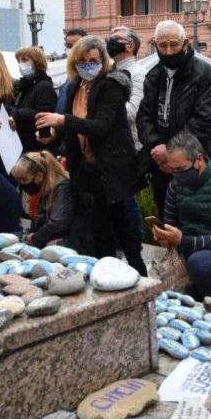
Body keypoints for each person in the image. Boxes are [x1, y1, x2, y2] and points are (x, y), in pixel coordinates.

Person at [35, 36, 146, 275]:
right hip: (86, 170)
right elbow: (73, 126)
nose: (88, 65)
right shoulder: (75, 86)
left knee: (126, 232)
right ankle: (106, 276)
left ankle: (141, 278)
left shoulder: (111, 86)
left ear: (103, 61)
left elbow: (101, 126)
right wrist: (54, 132)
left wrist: (63, 120)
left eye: (93, 60)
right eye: (82, 61)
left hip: (113, 169)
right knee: (99, 230)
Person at [137, 20, 211, 216]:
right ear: (155, 44)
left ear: (186, 43)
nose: (168, 51)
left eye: (174, 44)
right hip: (160, 164)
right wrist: (156, 147)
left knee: (195, 219)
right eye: (162, 45)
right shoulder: (153, 76)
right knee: (166, 215)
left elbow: (205, 120)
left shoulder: (204, 74)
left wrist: (170, 151)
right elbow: (143, 117)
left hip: (194, 162)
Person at [151, 131, 211, 305]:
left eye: (180, 169)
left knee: (200, 263)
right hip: (190, 251)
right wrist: (165, 237)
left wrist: (183, 240)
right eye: (172, 170)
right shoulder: (175, 185)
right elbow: (170, 224)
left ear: (199, 160)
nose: (176, 175)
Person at [107, 25, 147, 243]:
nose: (110, 41)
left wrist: (104, 109)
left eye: (116, 38)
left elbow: (133, 111)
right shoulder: (110, 71)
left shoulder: (138, 73)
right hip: (110, 145)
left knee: (127, 199)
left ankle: (134, 245)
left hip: (128, 146)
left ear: (130, 45)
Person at [0, 46, 58, 154]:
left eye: (24, 60)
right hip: (22, 144)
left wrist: (16, 115)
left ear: (37, 62)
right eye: (19, 60)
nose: (21, 63)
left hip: (37, 148)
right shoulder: (24, 85)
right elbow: (17, 109)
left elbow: (44, 115)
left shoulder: (44, 86)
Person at [11, 151, 73, 248]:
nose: (21, 184)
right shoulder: (45, 187)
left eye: (24, 179)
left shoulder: (62, 186)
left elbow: (58, 223)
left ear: (39, 176)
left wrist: (35, 238)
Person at [57, 28, 87, 113]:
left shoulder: (91, 76)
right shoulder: (67, 78)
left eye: (77, 45)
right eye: (69, 46)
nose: (73, 49)